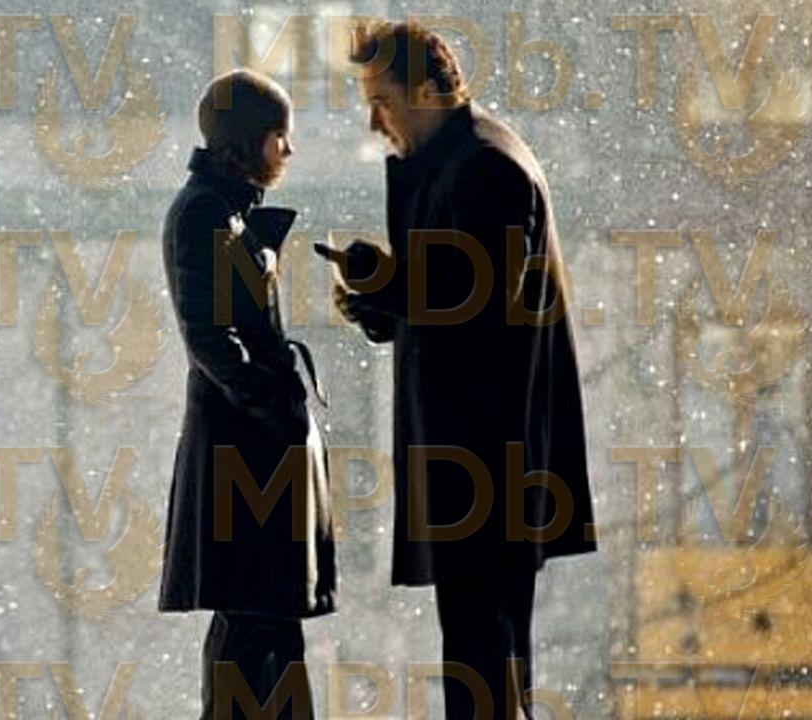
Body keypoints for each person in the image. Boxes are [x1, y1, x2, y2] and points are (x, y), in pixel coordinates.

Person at [333, 20, 598, 720]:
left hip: (485, 461)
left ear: (423, 91)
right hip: (484, 459)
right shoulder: (473, 158)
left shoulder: (483, 167)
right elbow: (457, 296)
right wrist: (380, 297)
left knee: (481, 654)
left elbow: (471, 302)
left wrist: (385, 286)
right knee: (489, 654)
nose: (375, 122)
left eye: (382, 101)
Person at [158, 69, 337, 719]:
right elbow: (209, 338)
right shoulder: (206, 211)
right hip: (246, 454)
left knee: (266, 621)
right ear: (249, 139)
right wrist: (274, 400)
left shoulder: (222, 209)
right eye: (278, 135)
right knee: (256, 620)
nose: (287, 149)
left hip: (253, 447)